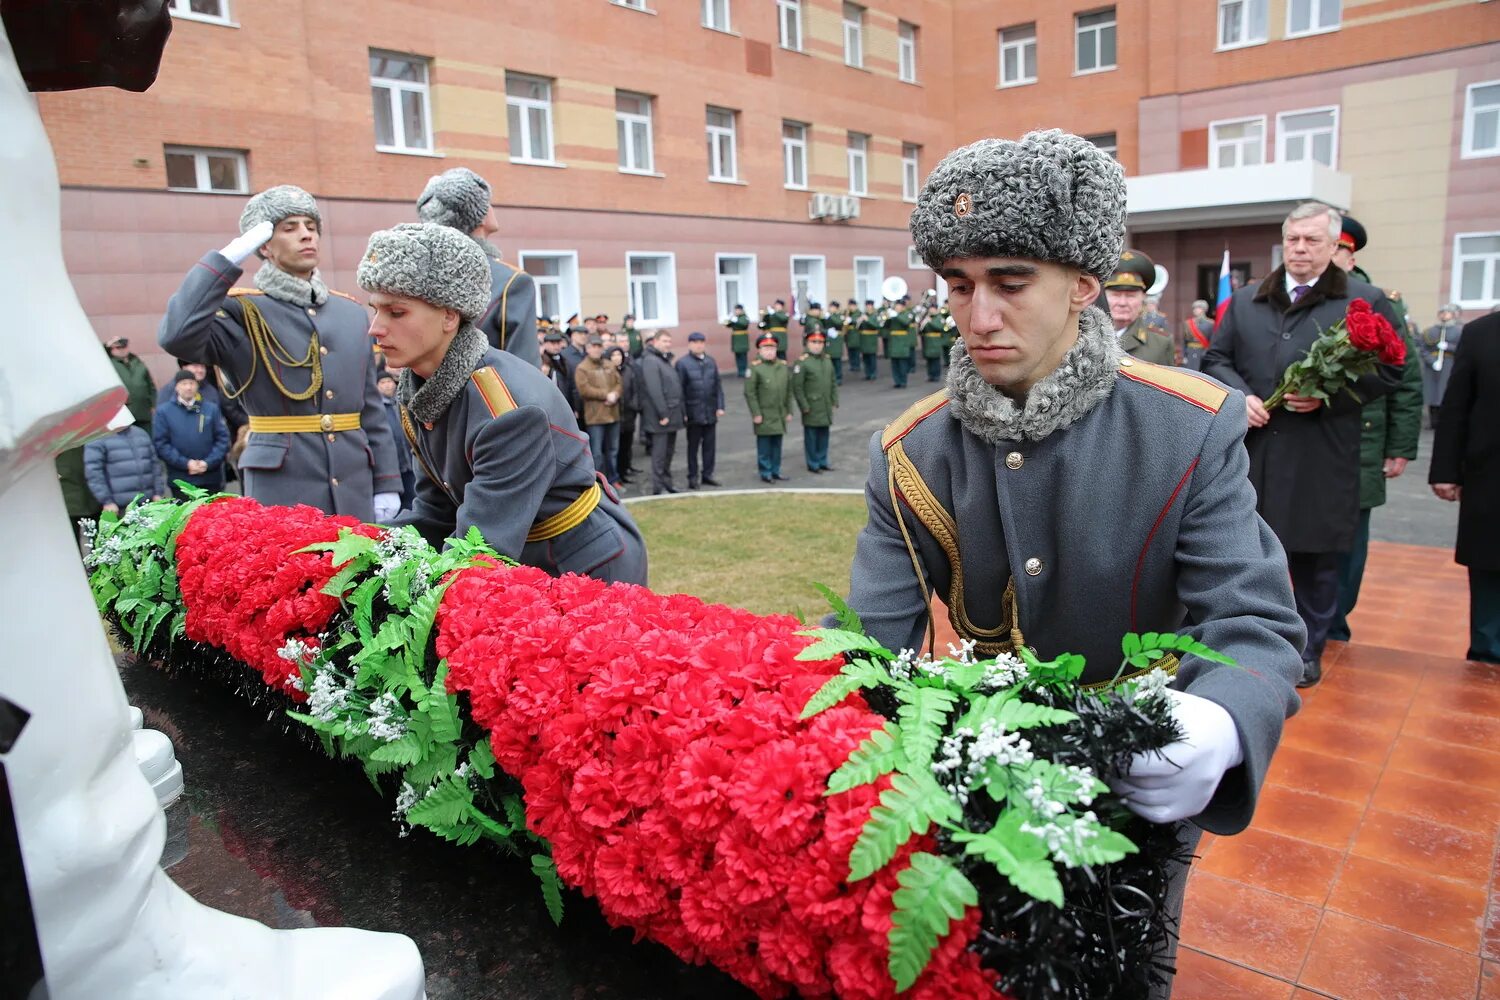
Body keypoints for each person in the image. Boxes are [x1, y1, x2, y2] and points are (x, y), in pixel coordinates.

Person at [843, 132, 1304, 999]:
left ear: (1085, 286)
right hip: (973, 770)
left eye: (1010, 283)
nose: (979, 317)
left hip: (1143, 777)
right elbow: (869, 643)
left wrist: (1219, 721)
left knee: (1128, 971)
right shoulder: (911, 450)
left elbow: (1255, 621)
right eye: (957, 284)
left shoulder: (1188, 427)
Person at [360, 223, 645, 583]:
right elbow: (437, 511)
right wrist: (360, 551)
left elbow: (479, 552)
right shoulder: (422, 388)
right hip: (524, 558)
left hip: (581, 567)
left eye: (396, 312)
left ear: (450, 315)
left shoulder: (508, 410)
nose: (375, 328)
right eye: (375, 310)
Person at [1203, 201, 1403, 688]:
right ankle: (1245, 641)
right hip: (1254, 451)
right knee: (1245, 550)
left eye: (1312, 240)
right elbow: (1216, 358)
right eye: (1292, 239)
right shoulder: (1249, 299)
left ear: (1334, 247)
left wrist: (1327, 397)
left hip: (1320, 453)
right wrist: (1239, 396)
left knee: (1315, 559)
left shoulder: (1364, 300)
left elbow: (1390, 369)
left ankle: (1309, 649)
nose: (1299, 248)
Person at [158, 185, 402, 522]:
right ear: (264, 246)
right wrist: (222, 263)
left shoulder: (350, 312)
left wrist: (387, 480)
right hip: (283, 484)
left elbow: (370, 408)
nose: (306, 235)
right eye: (289, 228)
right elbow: (177, 335)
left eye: (311, 227)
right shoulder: (242, 312)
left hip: (354, 481)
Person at [1325, 215, 1424, 643]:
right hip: (1305, 442)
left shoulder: (1380, 303)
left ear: (1350, 255)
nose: (1332, 258)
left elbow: (1405, 379)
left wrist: (1399, 445)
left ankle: (1334, 622)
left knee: (1348, 541)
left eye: (1339, 251)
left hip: (1362, 439)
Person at [415, 167, 538, 368]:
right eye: (488, 203)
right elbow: (525, 369)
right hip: (489, 397)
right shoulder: (512, 282)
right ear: (479, 216)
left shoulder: (418, 276)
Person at [1430, 310, 1500, 663]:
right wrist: (1445, 470)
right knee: (1489, 568)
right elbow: (1455, 407)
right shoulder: (1480, 334)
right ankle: (1487, 656)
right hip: (1491, 476)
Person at [152, 368, 230, 498]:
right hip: (181, 479)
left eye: (191, 383)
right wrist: (186, 463)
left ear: (197, 386)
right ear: (176, 387)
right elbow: (161, 444)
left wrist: (208, 463)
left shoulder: (211, 409)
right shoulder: (164, 412)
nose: (188, 387)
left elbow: (222, 439)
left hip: (210, 478)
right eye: (184, 384)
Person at [85, 413, 168, 514]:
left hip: (149, 503)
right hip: (120, 507)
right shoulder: (98, 437)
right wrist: (107, 501)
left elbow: (155, 465)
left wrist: (158, 492)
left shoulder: (141, 433)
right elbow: (94, 472)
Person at [1105, 251, 1175, 365]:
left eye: (1130, 296)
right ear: (1104, 295)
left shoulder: (1161, 343)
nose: (1122, 303)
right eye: (1116, 295)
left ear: (1143, 298)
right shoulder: (1082, 336)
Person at [639, 328, 685, 495]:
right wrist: (663, 414)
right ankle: (658, 487)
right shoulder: (651, 361)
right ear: (655, 341)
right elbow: (654, 389)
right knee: (659, 455)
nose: (668, 345)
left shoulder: (664, 359)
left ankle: (668, 483)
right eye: (664, 341)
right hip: (661, 418)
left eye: (669, 342)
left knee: (669, 453)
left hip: (673, 415)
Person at [574, 335, 623, 489]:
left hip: (613, 413)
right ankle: (599, 484)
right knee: (596, 452)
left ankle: (614, 479)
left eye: (598, 346)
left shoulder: (609, 364)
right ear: (587, 349)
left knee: (613, 450)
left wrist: (615, 394)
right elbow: (584, 390)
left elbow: (619, 383)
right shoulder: (582, 368)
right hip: (595, 417)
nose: (596, 349)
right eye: (593, 346)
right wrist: (606, 395)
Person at [677, 331, 724, 489]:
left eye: (701, 342)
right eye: (695, 342)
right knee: (693, 447)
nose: (699, 345)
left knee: (710, 446)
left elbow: (717, 386)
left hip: (710, 411)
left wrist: (720, 405)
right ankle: (692, 477)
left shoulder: (711, 362)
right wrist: (683, 413)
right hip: (693, 412)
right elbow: (680, 391)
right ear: (690, 344)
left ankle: (707, 474)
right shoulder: (683, 363)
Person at [745, 333, 793, 483]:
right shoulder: (755, 368)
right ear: (759, 350)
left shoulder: (782, 366)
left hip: (779, 413)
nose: (769, 351)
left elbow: (788, 391)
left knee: (777, 445)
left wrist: (789, 411)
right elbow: (750, 393)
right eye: (765, 348)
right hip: (764, 414)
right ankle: (765, 472)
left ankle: (775, 470)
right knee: (764, 445)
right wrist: (756, 413)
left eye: (772, 348)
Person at [791, 330, 838, 473]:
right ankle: (813, 463)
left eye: (820, 342)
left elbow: (832, 381)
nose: (817, 346)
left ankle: (823, 460)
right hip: (811, 406)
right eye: (814, 342)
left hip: (825, 405)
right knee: (811, 436)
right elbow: (797, 387)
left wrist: (834, 400)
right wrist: (803, 405)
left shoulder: (827, 360)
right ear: (807, 343)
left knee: (824, 434)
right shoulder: (803, 363)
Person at [376, 371, 417, 511]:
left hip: (409, 460)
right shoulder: (377, 409)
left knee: (412, 498)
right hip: (392, 463)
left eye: (389, 381)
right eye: (382, 383)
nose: (387, 385)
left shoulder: (401, 403)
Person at [1421, 303, 1464, 428]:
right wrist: (1431, 361)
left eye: (1448, 312)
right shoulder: (1429, 331)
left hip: (1448, 364)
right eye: (1442, 312)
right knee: (1432, 393)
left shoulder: (1458, 331)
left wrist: (1448, 347)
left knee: (1443, 392)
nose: (1445, 315)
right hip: (1433, 365)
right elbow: (1423, 349)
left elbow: (1462, 349)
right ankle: (1432, 420)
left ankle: (1443, 420)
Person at [105, 336, 156, 432]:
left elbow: (151, 386)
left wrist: (154, 404)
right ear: (111, 349)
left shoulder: (137, 362)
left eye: (123, 347)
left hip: (143, 412)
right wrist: (107, 345)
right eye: (118, 348)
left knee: (146, 440)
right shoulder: (109, 363)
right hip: (124, 414)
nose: (122, 350)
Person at [607, 345, 640, 484]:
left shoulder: (628, 370)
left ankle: (625, 470)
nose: (617, 358)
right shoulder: (607, 371)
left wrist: (633, 405)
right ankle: (617, 475)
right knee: (616, 447)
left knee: (627, 444)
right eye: (613, 355)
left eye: (619, 355)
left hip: (629, 414)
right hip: (613, 414)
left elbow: (635, 389)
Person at [883, 295, 916, 388]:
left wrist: (896, 315)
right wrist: (887, 317)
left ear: (903, 307)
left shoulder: (907, 314)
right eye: (896, 305)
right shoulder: (893, 316)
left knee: (902, 364)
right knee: (894, 364)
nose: (897, 307)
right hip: (893, 342)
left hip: (902, 342)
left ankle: (903, 381)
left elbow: (906, 322)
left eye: (899, 306)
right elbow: (885, 326)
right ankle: (897, 381)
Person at [1182, 300, 1213, 370]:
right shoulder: (1188, 323)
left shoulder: (1210, 324)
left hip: (1202, 352)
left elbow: (1211, 342)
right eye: (1194, 308)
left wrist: (1206, 354)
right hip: (1190, 352)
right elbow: (1184, 341)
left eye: (1197, 308)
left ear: (1203, 310)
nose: (1194, 310)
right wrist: (1184, 355)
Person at [919, 304, 947, 382]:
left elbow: (939, 328)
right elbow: (921, 331)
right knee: (929, 359)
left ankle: (936, 375)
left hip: (936, 341)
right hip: (928, 341)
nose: (931, 311)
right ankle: (930, 375)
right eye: (930, 309)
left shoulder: (939, 318)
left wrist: (930, 322)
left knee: (935, 359)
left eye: (933, 309)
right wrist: (922, 324)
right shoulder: (927, 318)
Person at [725, 304, 751, 378]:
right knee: (737, 356)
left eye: (738, 310)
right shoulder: (735, 318)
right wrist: (729, 319)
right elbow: (727, 325)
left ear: (741, 310)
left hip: (742, 339)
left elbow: (744, 324)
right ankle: (740, 371)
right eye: (735, 310)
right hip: (736, 340)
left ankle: (744, 371)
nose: (736, 311)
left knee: (743, 356)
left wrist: (736, 320)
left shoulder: (744, 317)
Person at [824, 300, 845, 385]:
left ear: (836, 309)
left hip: (837, 340)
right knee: (830, 359)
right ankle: (831, 378)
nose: (831, 309)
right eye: (830, 307)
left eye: (833, 307)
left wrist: (831, 316)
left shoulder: (839, 316)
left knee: (837, 360)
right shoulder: (827, 316)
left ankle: (838, 377)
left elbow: (839, 323)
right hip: (829, 339)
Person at [860, 299, 882, 381]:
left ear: (872, 306)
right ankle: (867, 373)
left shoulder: (875, 315)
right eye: (867, 306)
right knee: (865, 358)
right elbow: (859, 327)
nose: (868, 307)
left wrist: (867, 320)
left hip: (872, 338)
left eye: (870, 306)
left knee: (872, 357)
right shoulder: (863, 315)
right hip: (864, 339)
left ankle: (873, 373)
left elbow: (876, 325)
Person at [843, 300, 865, 380]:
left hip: (856, 334)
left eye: (852, 306)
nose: (850, 307)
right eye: (849, 305)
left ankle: (857, 365)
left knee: (856, 350)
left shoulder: (858, 313)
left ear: (855, 306)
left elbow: (858, 321)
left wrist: (851, 320)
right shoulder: (847, 312)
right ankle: (852, 365)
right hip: (848, 334)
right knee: (850, 350)